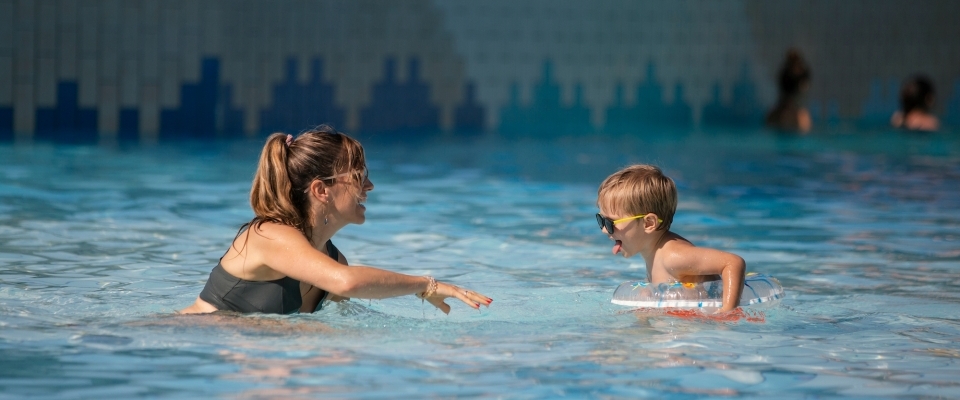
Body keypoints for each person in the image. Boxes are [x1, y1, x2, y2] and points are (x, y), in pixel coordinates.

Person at [180, 125, 492, 315]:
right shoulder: (269, 236)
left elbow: (343, 324)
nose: (368, 186)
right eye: (359, 176)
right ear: (321, 189)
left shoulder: (331, 261)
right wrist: (425, 285)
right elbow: (349, 282)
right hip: (182, 350)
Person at [595, 164, 746, 313]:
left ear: (648, 223)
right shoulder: (652, 253)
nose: (603, 229)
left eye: (610, 223)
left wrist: (727, 312)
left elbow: (733, 263)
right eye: (601, 220)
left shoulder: (673, 256)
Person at [765, 49, 812, 133]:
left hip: (797, 101)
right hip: (786, 100)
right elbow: (783, 90)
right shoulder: (785, 74)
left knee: (802, 121)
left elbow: (804, 88)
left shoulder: (803, 74)